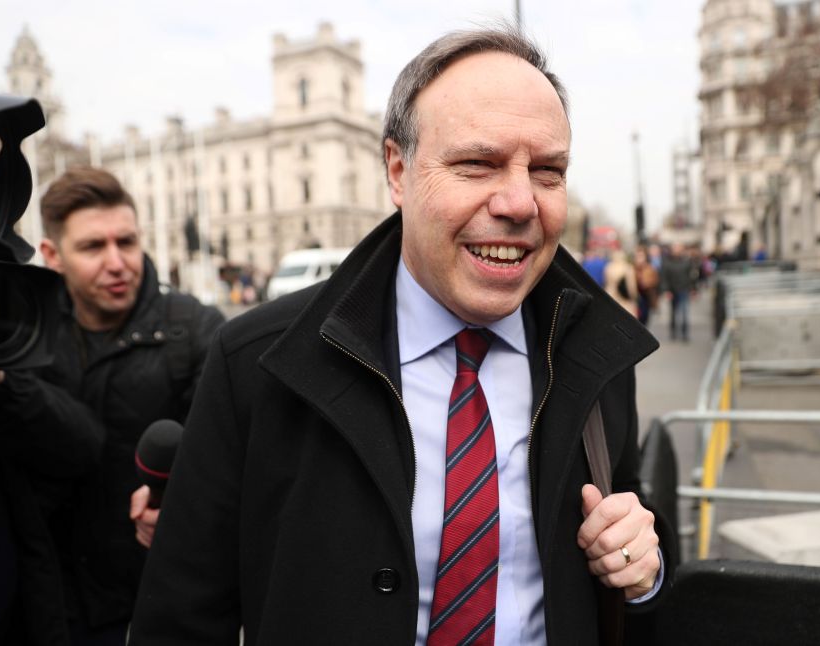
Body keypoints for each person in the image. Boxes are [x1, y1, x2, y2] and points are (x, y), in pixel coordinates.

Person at [130, 26, 672, 645]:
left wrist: (645, 574)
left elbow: (641, 562)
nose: (521, 202)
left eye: (547, 171)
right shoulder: (257, 364)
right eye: (478, 164)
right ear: (397, 170)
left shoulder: (598, 356)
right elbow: (180, 620)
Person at [0, 167, 224, 644]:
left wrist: (183, 508)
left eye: (126, 241)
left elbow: (226, 458)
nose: (117, 261)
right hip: (47, 601)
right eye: (92, 247)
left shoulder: (199, 331)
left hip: (157, 601)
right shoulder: (14, 335)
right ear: (51, 255)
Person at [659, 242, 698, 342]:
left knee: (685, 312)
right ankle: (673, 332)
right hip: (672, 290)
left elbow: (692, 276)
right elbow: (664, 277)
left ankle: (685, 333)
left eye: (678, 248)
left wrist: (693, 289)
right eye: (675, 248)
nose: (676, 250)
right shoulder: (667, 262)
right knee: (673, 312)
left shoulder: (687, 261)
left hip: (684, 290)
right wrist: (666, 290)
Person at [603, 249, 640, 317]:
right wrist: (634, 297)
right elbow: (631, 286)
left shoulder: (609, 267)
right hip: (624, 299)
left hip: (610, 294)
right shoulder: (627, 267)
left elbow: (606, 282)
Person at [633, 247, 660, 326]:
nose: (639, 259)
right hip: (636, 297)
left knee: (645, 318)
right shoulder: (632, 268)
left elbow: (655, 281)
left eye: (641, 256)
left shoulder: (650, 268)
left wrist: (647, 283)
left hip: (647, 296)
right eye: (637, 256)